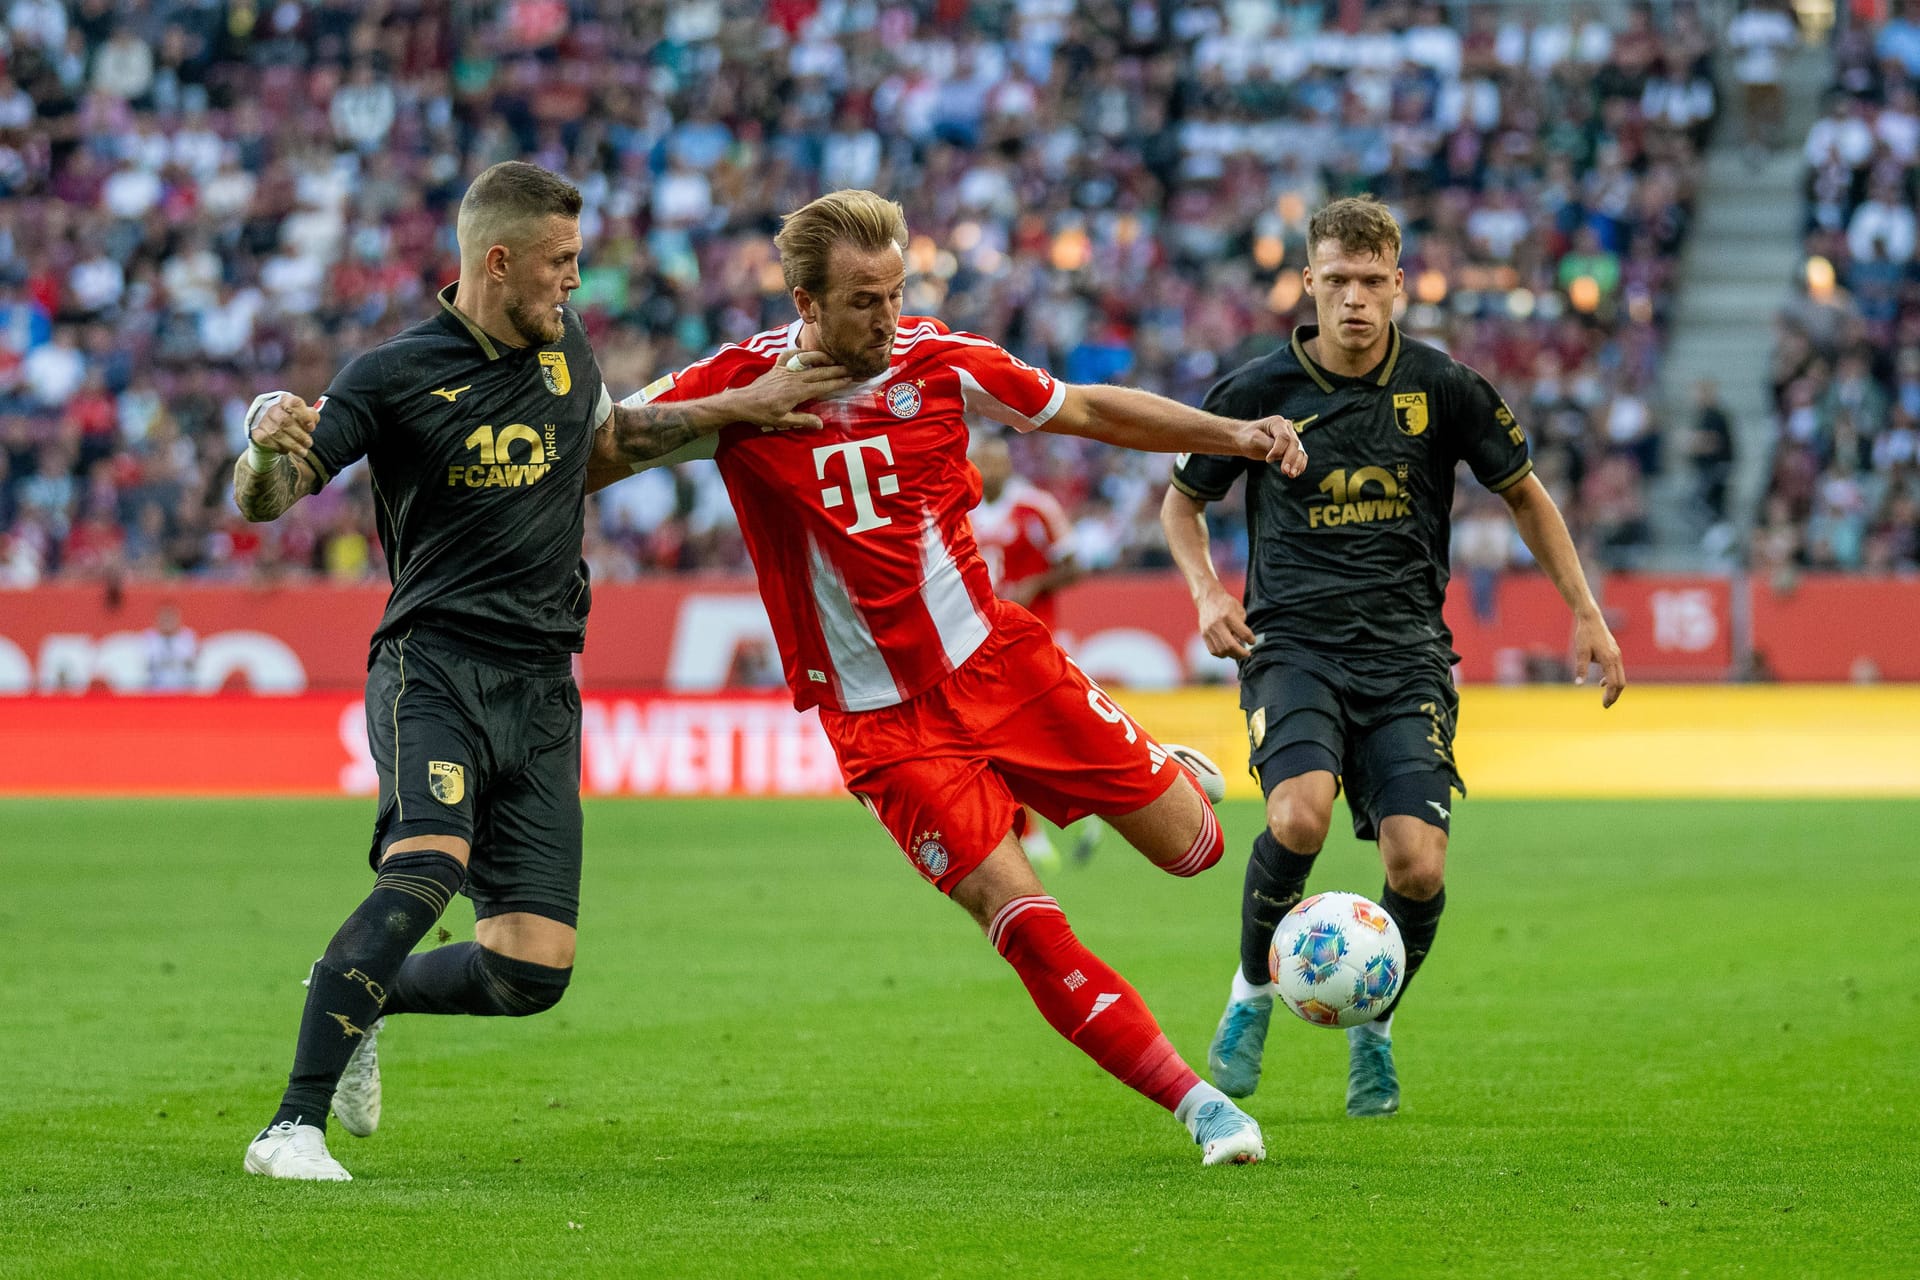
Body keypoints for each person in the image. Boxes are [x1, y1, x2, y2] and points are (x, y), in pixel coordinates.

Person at [590, 189, 1308, 1166]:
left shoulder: (940, 359)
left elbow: (1088, 408)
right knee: (1024, 919)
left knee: (1198, 848)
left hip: (1003, 667)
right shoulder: (733, 385)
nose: (886, 319)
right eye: (860, 302)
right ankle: (1200, 1105)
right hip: (885, 729)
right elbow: (593, 453)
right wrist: (734, 412)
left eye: (895, 293)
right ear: (804, 301)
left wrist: (1239, 435)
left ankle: (1145, 767)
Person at [232, 161, 846, 1181]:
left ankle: (356, 982)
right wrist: (261, 442)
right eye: (561, 262)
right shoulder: (392, 373)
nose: (576, 282)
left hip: (546, 686)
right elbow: (272, 492)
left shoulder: (570, 353)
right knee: (423, 868)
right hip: (435, 665)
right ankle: (289, 1127)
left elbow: (606, 444)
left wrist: (746, 404)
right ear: (499, 260)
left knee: (530, 968)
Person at [1159, 195, 1626, 1119]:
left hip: (1408, 657)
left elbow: (1526, 496)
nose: (1356, 301)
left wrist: (1586, 611)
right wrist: (1209, 594)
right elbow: (1182, 503)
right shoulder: (1256, 392)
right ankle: (1252, 994)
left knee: (1419, 868)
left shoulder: (1445, 387)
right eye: (1338, 282)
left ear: (1401, 286)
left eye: (1374, 282)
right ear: (1308, 285)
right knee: (1298, 816)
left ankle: (1374, 1024)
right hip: (1290, 644)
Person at [966, 430, 1098, 867]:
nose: (993, 468)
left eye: (999, 460)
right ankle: (1031, 831)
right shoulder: (958, 505)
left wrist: (1036, 584)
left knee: (1047, 731)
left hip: (1035, 636)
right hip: (978, 642)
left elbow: (1075, 565)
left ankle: (1093, 805)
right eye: (984, 460)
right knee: (998, 736)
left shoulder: (1036, 506)